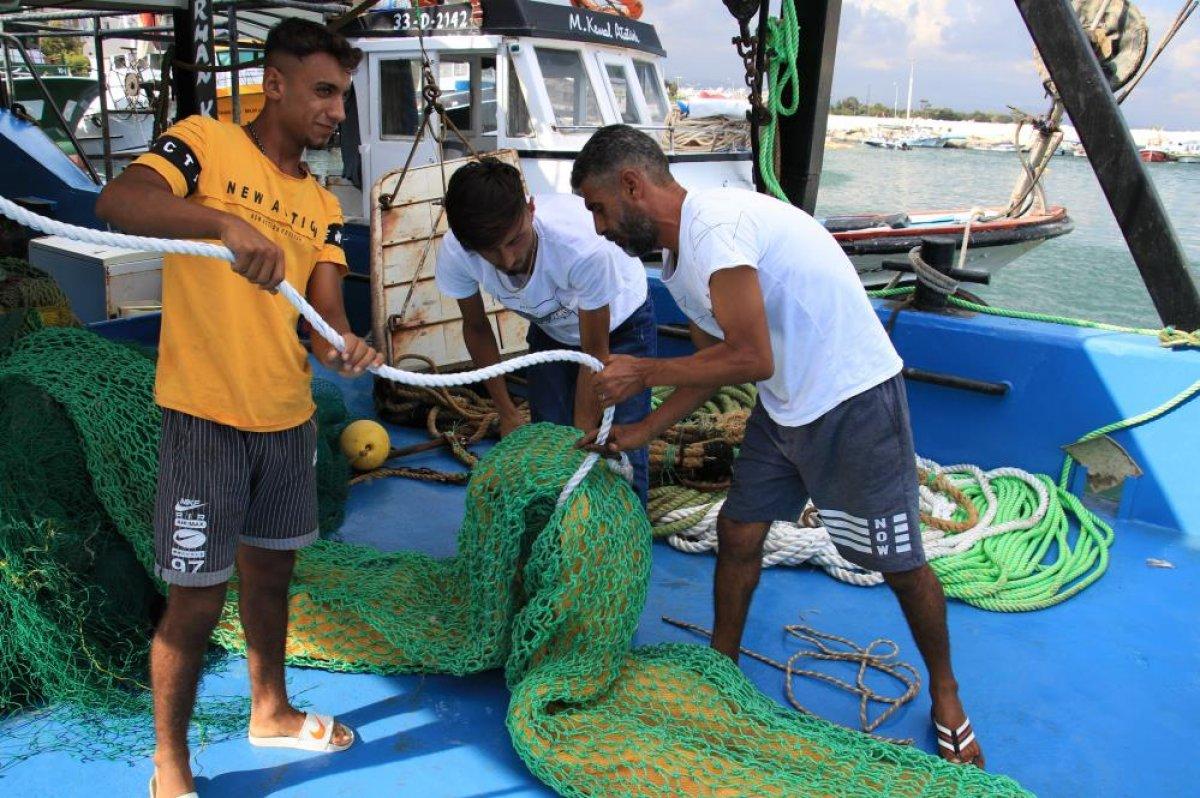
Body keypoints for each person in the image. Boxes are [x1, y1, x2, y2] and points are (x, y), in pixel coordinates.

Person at [571, 124, 984, 768]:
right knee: (739, 531)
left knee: (899, 564)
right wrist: (646, 430)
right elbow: (716, 362)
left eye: (598, 207)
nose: (598, 227)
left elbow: (751, 356)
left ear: (631, 185)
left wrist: (644, 372)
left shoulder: (713, 228)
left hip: (852, 398)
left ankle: (949, 693)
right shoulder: (680, 260)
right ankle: (722, 668)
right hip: (783, 402)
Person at [95, 19, 382, 798]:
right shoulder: (204, 144)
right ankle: (171, 766)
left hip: (287, 421)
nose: (335, 111)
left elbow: (324, 327)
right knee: (195, 599)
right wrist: (225, 223)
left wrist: (347, 347)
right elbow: (120, 198)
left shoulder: (322, 204)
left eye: (343, 96)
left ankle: (271, 711)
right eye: (324, 91)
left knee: (270, 580)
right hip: (205, 416)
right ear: (276, 85)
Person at [435, 157, 656, 504]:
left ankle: (622, 531)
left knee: (615, 442)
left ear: (531, 209)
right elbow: (476, 328)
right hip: (550, 331)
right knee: (546, 441)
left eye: (514, 241)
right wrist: (506, 411)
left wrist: (583, 434)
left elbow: (593, 353)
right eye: (490, 252)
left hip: (618, 327)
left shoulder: (582, 248)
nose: (508, 261)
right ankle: (555, 534)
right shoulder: (458, 250)